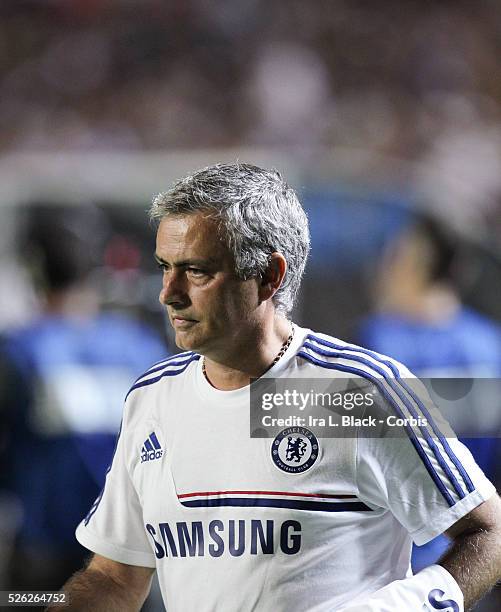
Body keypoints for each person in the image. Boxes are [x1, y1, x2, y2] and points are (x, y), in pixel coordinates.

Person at [50, 164, 501, 612]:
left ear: (270, 276)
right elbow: (113, 576)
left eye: (197, 271)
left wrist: (404, 606)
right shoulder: (152, 397)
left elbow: (490, 532)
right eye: (166, 267)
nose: (168, 293)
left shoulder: (357, 390)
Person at [0, 205, 167, 595]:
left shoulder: (18, 351)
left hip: (47, 553)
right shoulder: (141, 348)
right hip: (134, 555)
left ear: (33, 271)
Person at [358, 213, 501, 575]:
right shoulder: (490, 344)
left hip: (398, 553)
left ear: (416, 264)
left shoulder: (380, 343)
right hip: (476, 547)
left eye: (393, 257)